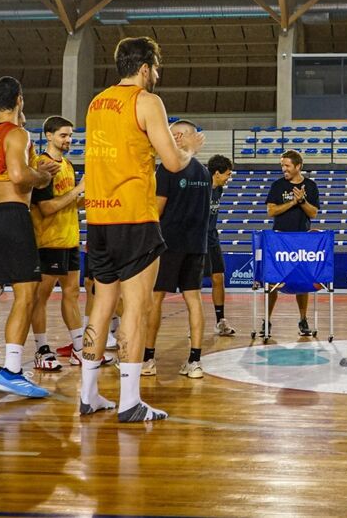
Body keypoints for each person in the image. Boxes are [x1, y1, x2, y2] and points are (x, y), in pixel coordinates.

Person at [79, 36, 201, 422]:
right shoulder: (148, 102)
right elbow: (174, 162)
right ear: (145, 67)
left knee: (101, 305)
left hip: (98, 218)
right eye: (156, 68)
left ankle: (88, 395)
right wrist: (191, 148)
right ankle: (130, 400)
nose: (157, 75)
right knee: (136, 307)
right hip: (133, 216)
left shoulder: (97, 103)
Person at [0, 77, 60, 398]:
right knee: (26, 292)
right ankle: (13, 371)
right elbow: (19, 176)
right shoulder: (18, 134)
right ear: (19, 99)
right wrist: (42, 174)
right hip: (11, 215)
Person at [144, 120, 213, 379]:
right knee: (194, 300)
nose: (168, 138)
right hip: (196, 243)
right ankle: (195, 361)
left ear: (182, 136)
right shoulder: (204, 172)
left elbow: (157, 209)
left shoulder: (167, 169)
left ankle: (147, 359)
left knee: (156, 299)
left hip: (169, 243)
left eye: (172, 135)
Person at [27, 116, 85, 372]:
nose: (68, 140)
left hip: (70, 238)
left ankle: (80, 349)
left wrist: (90, 196)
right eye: (63, 135)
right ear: (48, 136)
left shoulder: (68, 165)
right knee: (41, 298)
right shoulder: (43, 165)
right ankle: (41, 349)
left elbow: (69, 202)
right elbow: (47, 207)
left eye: (70, 135)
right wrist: (78, 191)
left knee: (72, 294)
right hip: (49, 240)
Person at [263, 150, 320, 337]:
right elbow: (271, 211)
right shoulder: (278, 186)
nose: (283, 169)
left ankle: (303, 320)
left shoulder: (310, 186)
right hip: (279, 240)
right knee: (272, 282)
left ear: (298, 166)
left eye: (287, 165)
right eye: (282, 165)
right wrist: (292, 202)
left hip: (302, 240)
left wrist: (302, 200)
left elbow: (313, 213)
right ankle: (267, 321)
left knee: (302, 282)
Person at [206, 154, 237, 336]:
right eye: (227, 174)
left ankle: (220, 321)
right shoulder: (201, 189)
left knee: (218, 278)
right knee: (191, 285)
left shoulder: (219, 190)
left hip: (212, 237)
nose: (228, 177)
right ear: (217, 173)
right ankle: (194, 323)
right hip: (196, 238)